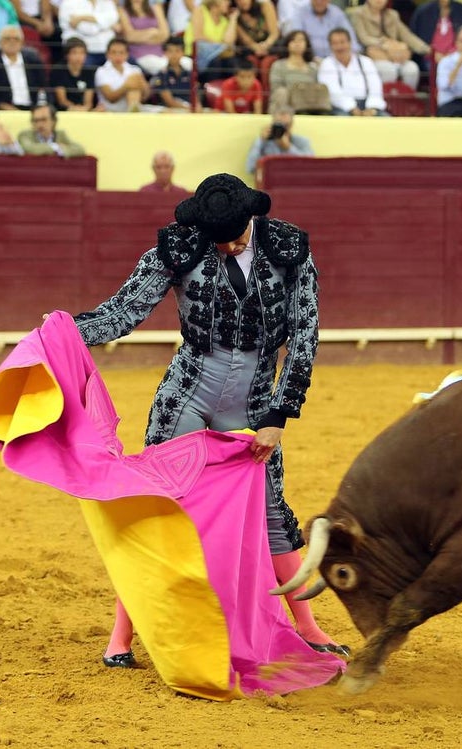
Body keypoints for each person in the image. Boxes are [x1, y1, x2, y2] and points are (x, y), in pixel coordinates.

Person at [70, 172, 345, 667]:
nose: (231, 245)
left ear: (252, 217)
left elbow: (304, 334)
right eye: (221, 240)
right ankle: (122, 637)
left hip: (259, 398)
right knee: (160, 508)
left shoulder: (288, 248)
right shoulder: (179, 247)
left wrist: (280, 413)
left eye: (238, 235)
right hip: (188, 393)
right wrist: (66, 331)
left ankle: (307, 626)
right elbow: (123, 312)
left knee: (270, 512)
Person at [348, 0, 429, 90]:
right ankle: (385, 101)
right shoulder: (358, 14)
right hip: (371, 56)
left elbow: (407, 36)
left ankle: (407, 100)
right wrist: (384, 43)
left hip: (395, 55)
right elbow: (363, 38)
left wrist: (427, 49)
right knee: (388, 70)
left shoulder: (392, 15)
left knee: (412, 69)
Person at [318, 26, 388, 116]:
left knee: (385, 118)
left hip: (368, 103)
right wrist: (352, 108)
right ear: (330, 46)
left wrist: (371, 108)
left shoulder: (366, 62)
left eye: (342, 42)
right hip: (341, 106)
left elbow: (375, 87)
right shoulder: (327, 64)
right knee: (342, 120)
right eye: (335, 43)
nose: (339, 47)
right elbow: (332, 92)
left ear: (350, 43)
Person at [0, 24, 48, 110]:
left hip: (33, 109)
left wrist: (41, 106)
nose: (12, 42)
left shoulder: (33, 61)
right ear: (0, 43)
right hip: (4, 110)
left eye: (16, 39)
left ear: (22, 43)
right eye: (7, 39)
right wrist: (1, 105)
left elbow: (44, 87)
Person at [245, 106, 313, 178]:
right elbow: (250, 168)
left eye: (286, 125)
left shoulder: (302, 141)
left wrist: (289, 148)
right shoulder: (264, 143)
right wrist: (260, 140)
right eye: (279, 125)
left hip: (295, 182)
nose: (282, 130)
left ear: (291, 125)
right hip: (270, 183)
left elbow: (310, 168)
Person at [266, 28, 318, 114]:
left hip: (307, 104)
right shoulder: (278, 65)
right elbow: (276, 88)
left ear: (307, 44)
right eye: (293, 40)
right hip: (284, 105)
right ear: (287, 44)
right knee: (281, 92)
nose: (297, 43)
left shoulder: (313, 68)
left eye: (301, 40)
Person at [288, 0, 358, 63]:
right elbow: (296, 39)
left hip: (337, 59)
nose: (319, 2)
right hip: (310, 61)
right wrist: (310, 58)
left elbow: (350, 38)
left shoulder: (337, 13)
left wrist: (350, 56)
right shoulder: (300, 13)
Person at [184, 0, 238, 80]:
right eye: (226, 1)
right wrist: (220, 47)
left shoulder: (224, 21)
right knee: (216, 60)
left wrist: (233, 19)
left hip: (218, 57)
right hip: (197, 53)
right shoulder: (200, 11)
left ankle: (227, 90)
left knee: (231, 61)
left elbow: (229, 42)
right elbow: (198, 36)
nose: (229, 3)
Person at [59, 0, 122, 67]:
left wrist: (82, 18)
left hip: (107, 51)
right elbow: (89, 29)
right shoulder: (69, 3)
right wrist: (108, 25)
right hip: (82, 53)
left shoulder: (107, 2)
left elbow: (114, 17)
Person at [94, 36, 150, 112]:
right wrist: (127, 86)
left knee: (134, 89)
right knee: (132, 86)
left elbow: (146, 96)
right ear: (108, 54)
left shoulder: (135, 70)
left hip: (134, 106)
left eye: (121, 52)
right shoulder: (101, 71)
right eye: (114, 52)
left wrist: (143, 85)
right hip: (109, 110)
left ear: (127, 54)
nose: (118, 56)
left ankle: (133, 110)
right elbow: (110, 98)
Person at [410, 0, 462, 68]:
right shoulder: (422, 11)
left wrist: (452, 55)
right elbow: (415, 38)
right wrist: (433, 54)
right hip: (430, 57)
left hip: (457, 56)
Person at [120, 0, 171, 76]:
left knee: (187, 64)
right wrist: (152, 32)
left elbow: (165, 35)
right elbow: (130, 37)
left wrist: (140, 37)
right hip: (139, 56)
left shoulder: (156, 8)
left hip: (160, 55)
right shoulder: (123, 11)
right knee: (166, 68)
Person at [18, 102, 87, 156]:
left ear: (53, 121)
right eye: (36, 121)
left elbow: (80, 149)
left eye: (44, 120)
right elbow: (30, 149)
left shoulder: (60, 134)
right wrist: (56, 147)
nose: (39, 124)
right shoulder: (25, 135)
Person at [149, 35, 195, 110]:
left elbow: (196, 98)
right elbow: (169, 102)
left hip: (190, 109)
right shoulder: (161, 75)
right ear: (165, 53)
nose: (174, 55)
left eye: (177, 51)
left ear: (183, 52)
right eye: (170, 51)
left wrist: (197, 108)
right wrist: (190, 109)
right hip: (172, 111)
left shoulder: (189, 74)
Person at [50, 36, 96, 111]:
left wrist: (84, 108)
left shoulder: (89, 72)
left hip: (84, 111)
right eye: (74, 53)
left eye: (82, 53)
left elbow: (88, 102)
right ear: (67, 55)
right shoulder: (58, 70)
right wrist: (75, 109)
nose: (79, 56)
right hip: (64, 111)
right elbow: (62, 101)